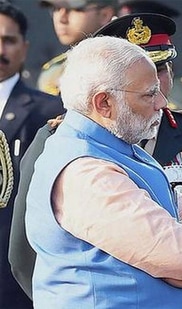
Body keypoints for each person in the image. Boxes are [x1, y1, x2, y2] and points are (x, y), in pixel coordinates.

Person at [9, 13, 182, 299]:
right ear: (104, 103)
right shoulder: (84, 166)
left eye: (161, 72)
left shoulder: (121, 144)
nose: (162, 101)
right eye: (148, 93)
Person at [0, 2, 65, 308]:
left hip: (18, 273)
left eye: (8, 40)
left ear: (24, 48)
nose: (0, 48)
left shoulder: (50, 111)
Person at [36, 0, 117, 95]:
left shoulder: (127, 65)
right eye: (56, 9)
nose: (61, 19)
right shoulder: (53, 72)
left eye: (74, 9)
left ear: (105, 15)